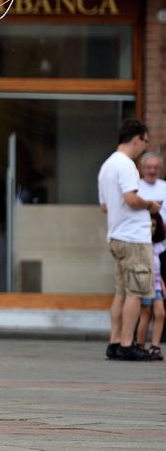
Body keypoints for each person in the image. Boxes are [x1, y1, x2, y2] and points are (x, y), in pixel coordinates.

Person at [98, 118, 160, 361]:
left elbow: (105, 206)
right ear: (136, 139)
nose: (144, 147)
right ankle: (126, 345)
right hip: (133, 237)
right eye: (145, 142)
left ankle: (114, 342)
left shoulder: (107, 166)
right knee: (135, 291)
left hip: (116, 235)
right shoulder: (126, 165)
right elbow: (131, 199)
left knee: (121, 292)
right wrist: (150, 205)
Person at [135, 213, 165, 359]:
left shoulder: (157, 246)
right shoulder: (140, 245)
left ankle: (155, 346)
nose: (151, 229)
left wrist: (162, 283)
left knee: (160, 314)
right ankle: (140, 345)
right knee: (145, 315)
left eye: (154, 226)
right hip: (145, 284)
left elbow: (157, 268)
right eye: (149, 225)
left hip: (157, 284)